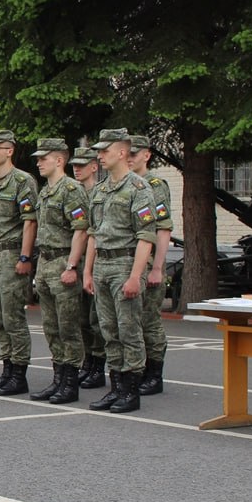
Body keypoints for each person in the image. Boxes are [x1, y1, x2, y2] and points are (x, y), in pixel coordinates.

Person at [84, 128, 156, 413]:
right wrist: (87, 272)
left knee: (129, 330)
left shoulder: (138, 188)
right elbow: (93, 233)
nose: (100, 156)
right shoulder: (101, 190)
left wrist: (135, 276)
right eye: (99, 151)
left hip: (125, 264)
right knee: (108, 330)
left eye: (105, 150)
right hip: (102, 265)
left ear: (122, 152)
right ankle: (116, 387)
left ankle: (131, 390)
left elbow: (146, 236)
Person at [0, 128, 39, 396]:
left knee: (13, 317)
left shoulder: (23, 181)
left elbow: (29, 222)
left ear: (10, 150)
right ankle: (6, 369)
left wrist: (25, 257)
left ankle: (19, 373)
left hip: (12, 255)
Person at [29, 138, 90, 403]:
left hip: (63, 261)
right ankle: (58, 378)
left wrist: (72, 265)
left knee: (68, 327)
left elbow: (81, 229)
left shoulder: (71, 189)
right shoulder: (45, 191)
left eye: (44, 158)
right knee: (51, 327)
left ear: (59, 160)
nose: (39, 162)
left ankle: (70, 382)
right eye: (38, 158)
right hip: (45, 263)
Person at [129, 134, 173, 396]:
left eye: (136, 153)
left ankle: (154, 374)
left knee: (149, 320)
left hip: (149, 265)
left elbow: (163, 229)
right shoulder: (125, 184)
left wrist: (157, 267)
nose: (130, 157)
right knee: (131, 321)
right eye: (128, 152)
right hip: (130, 262)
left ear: (147, 155)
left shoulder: (155, 185)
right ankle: (137, 369)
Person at [70, 147, 107, 389]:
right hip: (78, 262)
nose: (77, 169)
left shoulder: (101, 193)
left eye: (82, 165)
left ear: (94, 166)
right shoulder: (74, 193)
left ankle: (98, 366)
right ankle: (88, 363)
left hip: (95, 263)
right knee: (81, 319)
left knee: (96, 319)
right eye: (74, 164)